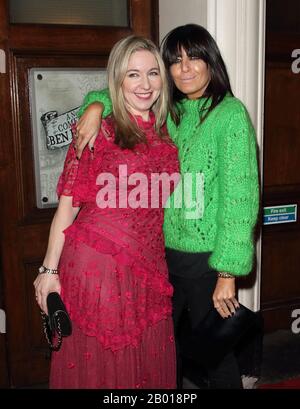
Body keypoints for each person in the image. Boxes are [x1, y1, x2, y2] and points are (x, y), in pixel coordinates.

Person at [74, 24, 259, 389]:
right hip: (162, 256)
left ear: (211, 62)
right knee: (164, 351)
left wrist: (228, 273)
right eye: (175, 62)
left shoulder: (230, 114)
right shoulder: (169, 113)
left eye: (194, 58)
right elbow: (124, 93)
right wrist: (96, 105)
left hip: (208, 260)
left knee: (216, 357)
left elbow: (240, 198)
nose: (185, 69)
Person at [33, 35, 179, 389]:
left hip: (149, 269)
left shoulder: (166, 131)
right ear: (116, 81)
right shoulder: (99, 131)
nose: (145, 84)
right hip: (98, 270)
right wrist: (48, 270)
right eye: (133, 75)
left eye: (153, 73)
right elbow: (68, 204)